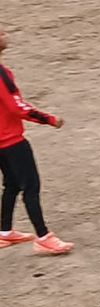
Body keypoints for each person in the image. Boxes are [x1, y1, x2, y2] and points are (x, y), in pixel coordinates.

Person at [0, 26, 72, 255]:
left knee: (12, 184)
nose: (5, 35)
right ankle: (43, 237)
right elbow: (17, 107)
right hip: (11, 142)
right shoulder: (2, 74)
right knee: (30, 186)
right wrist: (50, 120)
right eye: (1, 33)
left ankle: (4, 232)